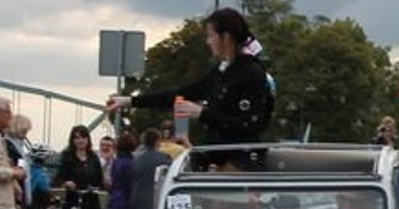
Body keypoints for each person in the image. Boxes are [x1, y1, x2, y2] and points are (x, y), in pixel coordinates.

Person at [106, 8, 273, 147]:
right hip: (218, 154)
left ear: (226, 37)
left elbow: (249, 125)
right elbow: (180, 93)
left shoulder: (250, 73)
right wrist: (131, 101)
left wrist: (202, 113)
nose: (208, 42)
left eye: (211, 35)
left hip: (237, 160)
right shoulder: (222, 72)